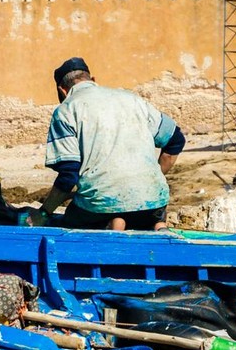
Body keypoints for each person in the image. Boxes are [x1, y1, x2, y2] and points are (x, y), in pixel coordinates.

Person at [30, 57, 185, 231]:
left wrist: (43, 213)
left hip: (100, 207)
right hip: (153, 202)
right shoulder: (132, 99)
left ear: (63, 91)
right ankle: (157, 225)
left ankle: (112, 224)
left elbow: (68, 175)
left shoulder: (66, 110)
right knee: (147, 216)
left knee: (74, 218)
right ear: (93, 80)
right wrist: (152, 177)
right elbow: (176, 140)